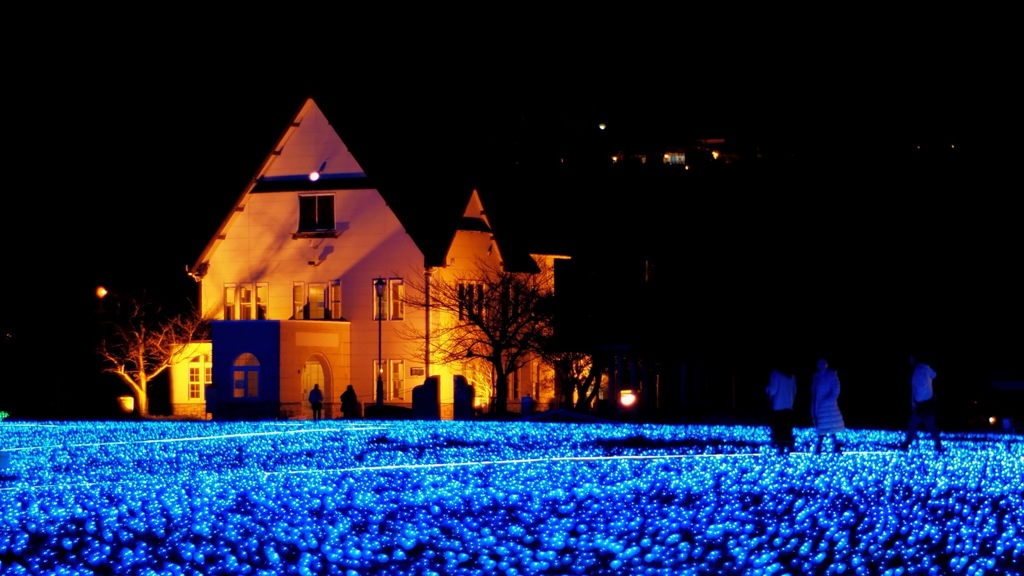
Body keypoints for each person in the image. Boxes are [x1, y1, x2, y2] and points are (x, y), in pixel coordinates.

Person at [901, 356, 943, 452]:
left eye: (911, 359)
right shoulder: (922, 369)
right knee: (923, 424)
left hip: (925, 404)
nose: (910, 361)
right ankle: (937, 444)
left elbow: (916, 389)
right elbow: (934, 375)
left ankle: (908, 442)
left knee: (915, 423)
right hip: (924, 404)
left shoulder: (921, 369)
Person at [810, 358, 845, 454]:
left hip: (828, 406)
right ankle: (819, 447)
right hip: (819, 405)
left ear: (826, 364)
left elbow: (836, 389)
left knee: (831, 426)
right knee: (821, 427)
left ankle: (835, 446)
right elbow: (813, 391)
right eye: (819, 364)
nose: (821, 365)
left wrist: (828, 400)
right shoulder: (816, 376)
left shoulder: (831, 375)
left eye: (823, 363)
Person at [767, 368, 797, 453]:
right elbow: (795, 390)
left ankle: (780, 448)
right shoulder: (791, 375)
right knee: (787, 428)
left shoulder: (775, 373)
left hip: (778, 405)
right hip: (789, 405)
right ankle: (789, 446)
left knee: (778, 427)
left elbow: (773, 389)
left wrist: (767, 390)